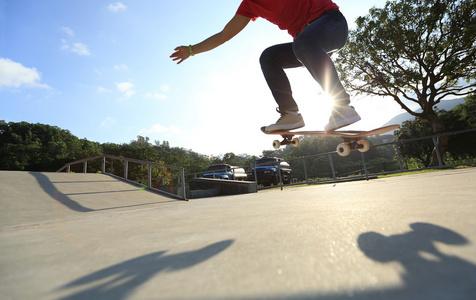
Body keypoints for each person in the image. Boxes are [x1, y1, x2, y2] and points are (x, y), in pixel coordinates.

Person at [170, 0, 361, 132]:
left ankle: (342, 107)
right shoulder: (250, 5)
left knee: (303, 43)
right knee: (269, 57)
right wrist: (192, 50)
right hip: (307, 44)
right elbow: (224, 34)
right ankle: (290, 114)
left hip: (332, 24)